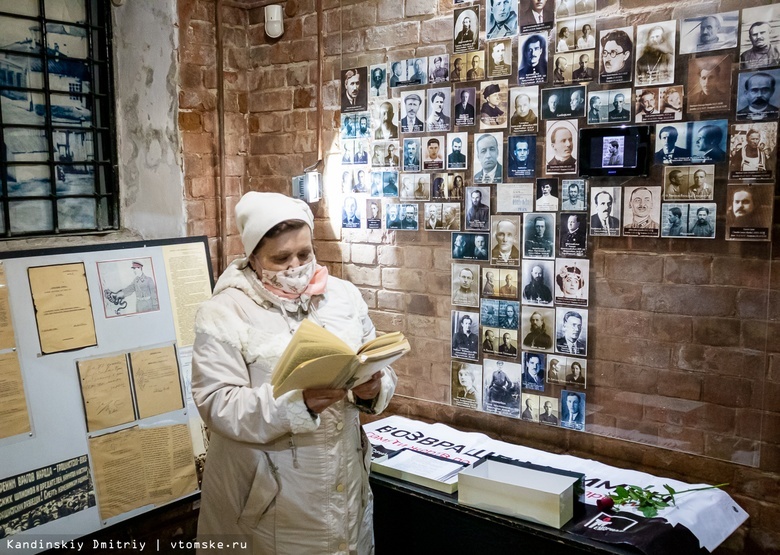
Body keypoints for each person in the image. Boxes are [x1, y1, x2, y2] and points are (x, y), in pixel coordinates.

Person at [191, 192, 396, 552]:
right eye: (281, 257)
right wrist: (296, 405)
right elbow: (217, 403)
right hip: (275, 499)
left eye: (304, 253)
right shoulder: (225, 312)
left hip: (347, 484)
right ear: (253, 257)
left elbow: (374, 358)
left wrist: (373, 390)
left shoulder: (343, 297)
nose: (296, 265)